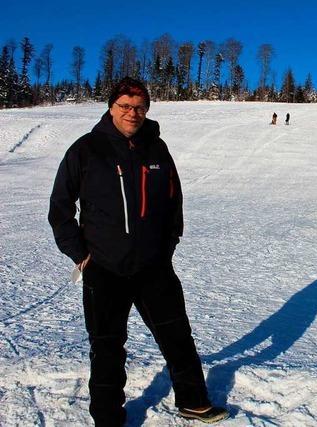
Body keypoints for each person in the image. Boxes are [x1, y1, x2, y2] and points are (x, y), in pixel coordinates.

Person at [48, 77, 228, 426]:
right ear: (111, 107)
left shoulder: (157, 150)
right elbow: (60, 207)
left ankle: (193, 401)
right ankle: (107, 417)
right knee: (107, 347)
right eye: (126, 106)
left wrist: (168, 245)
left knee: (177, 337)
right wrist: (79, 253)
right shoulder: (86, 149)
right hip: (104, 267)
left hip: (153, 266)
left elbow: (174, 202)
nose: (133, 113)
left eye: (140, 107)